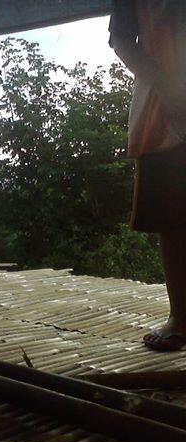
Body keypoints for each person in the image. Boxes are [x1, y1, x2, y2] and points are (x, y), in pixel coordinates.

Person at [110, 0, 186, 350]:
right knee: (173, 219)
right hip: (163, 112)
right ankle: (181, 318)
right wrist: (167, 87)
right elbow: (122, 40)